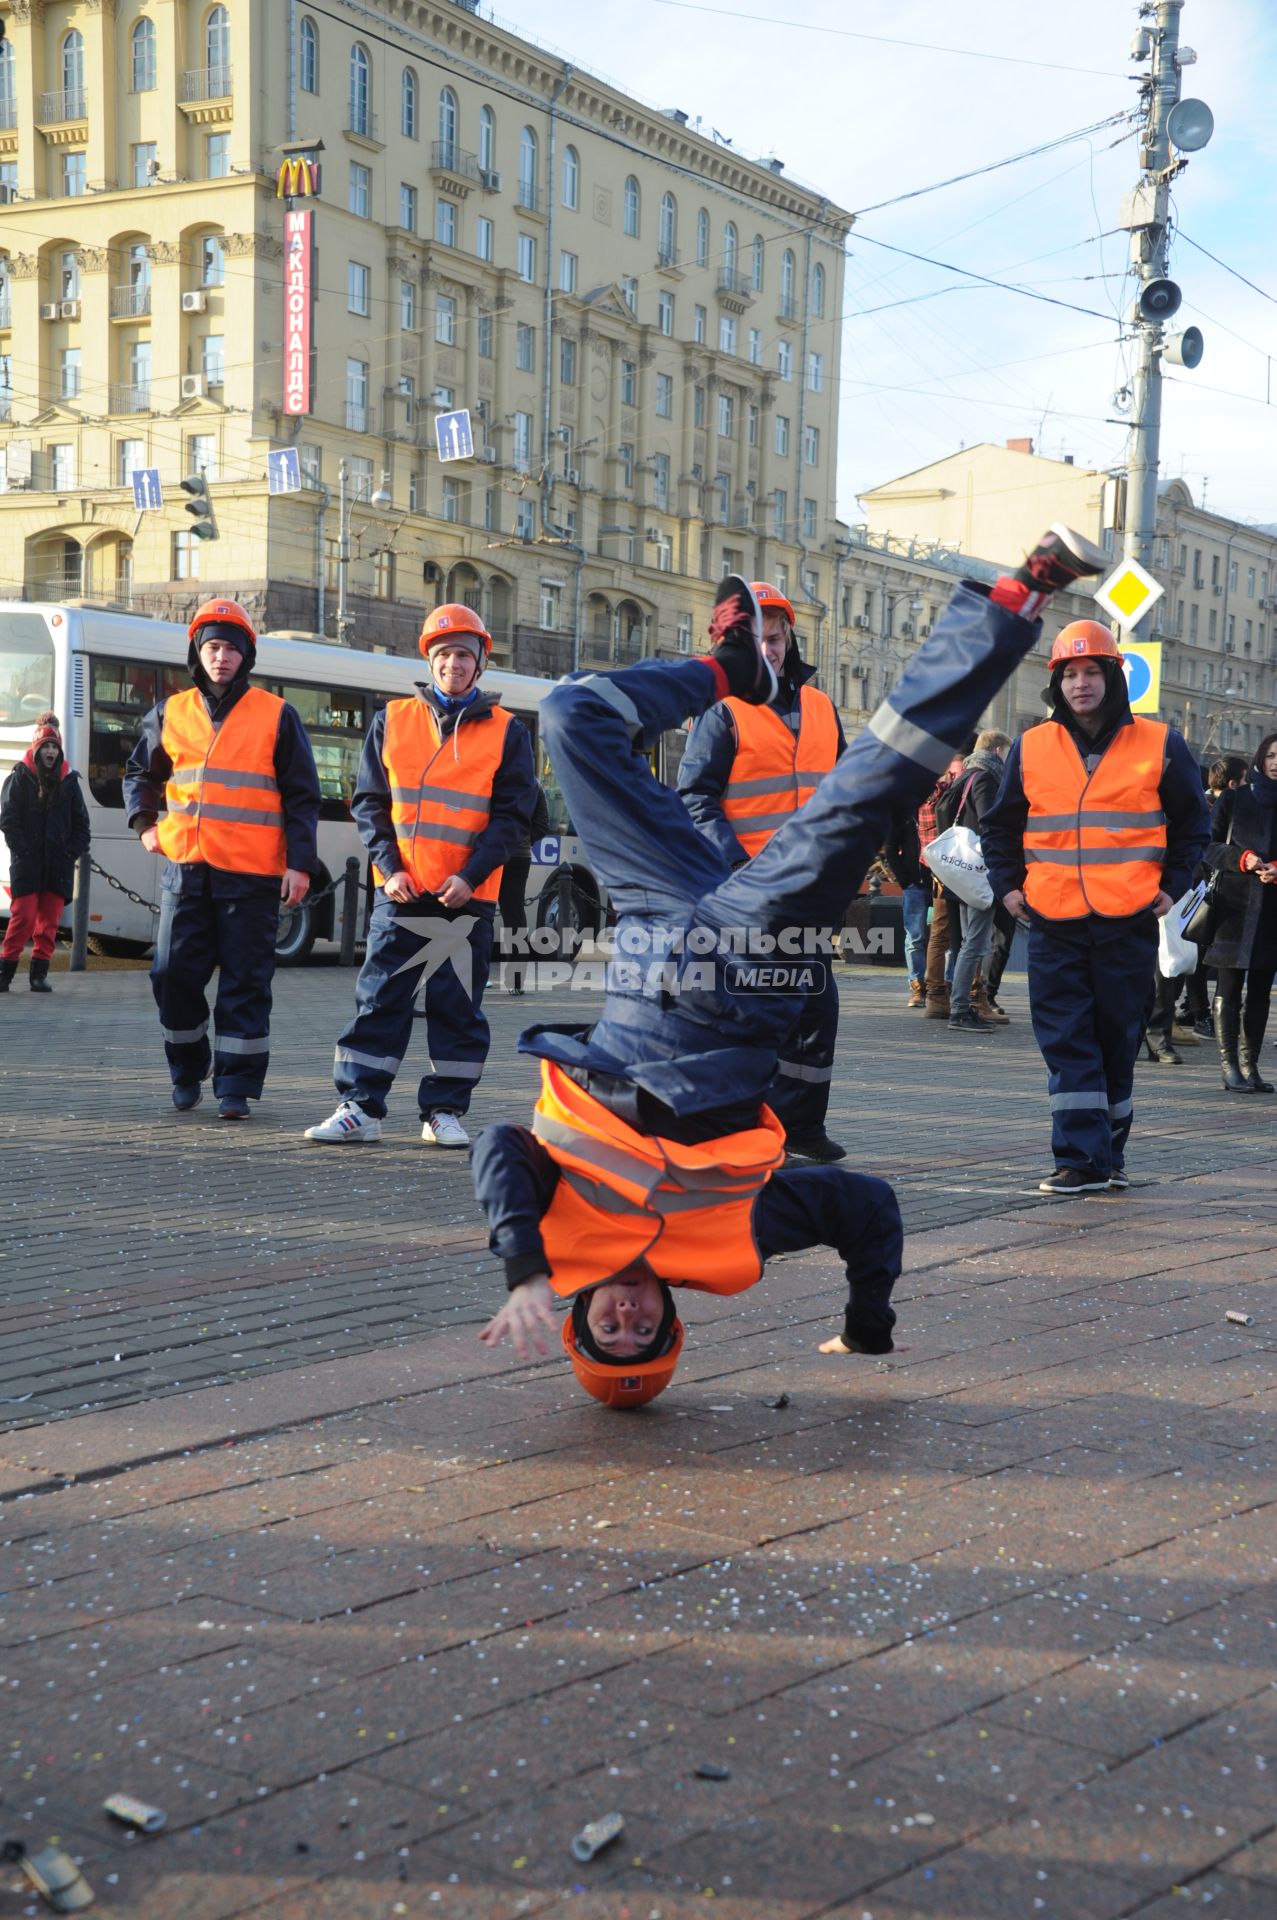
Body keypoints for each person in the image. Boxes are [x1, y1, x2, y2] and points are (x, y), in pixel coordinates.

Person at [474, 528, 1110, 1405]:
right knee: (866, 789)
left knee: (569, 715)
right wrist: (867, 1323)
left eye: (605, 1330)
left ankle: (734, 669)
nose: (626, 1314)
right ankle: (1015, 601)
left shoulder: (556, 1239)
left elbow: (503, 1145)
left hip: (652, 921)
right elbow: (866, 1209)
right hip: (744, 960)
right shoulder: (735, 1242)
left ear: (577, 1316)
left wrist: (520, 1266)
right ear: (671, 1323)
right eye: (642, 1333)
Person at [982, 618, 1209, 1196]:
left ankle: (1107, 1152)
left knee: (1116, 1037)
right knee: (1066, 1038)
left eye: (1091, 672)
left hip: (1127, 917)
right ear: (1055, 683)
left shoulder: (1160, 743)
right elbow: (1001, 826)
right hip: (1051, 917)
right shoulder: (1033, 745)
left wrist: (1173, 884)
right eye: (1069, 674)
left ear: (1112, 675)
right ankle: (1080, 1159)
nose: (1080, 684)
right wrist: (1008, 886)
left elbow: (1193, 824)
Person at [305, 604, 535, 1148]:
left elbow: (512, 818)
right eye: (444, 654)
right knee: (380, 1000)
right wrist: (388, 868)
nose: (453, 664)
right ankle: (359, 1108)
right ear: (429, 661)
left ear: (480, 664)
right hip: (402, 891)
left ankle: (445, 1112)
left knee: (458, 1009)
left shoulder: (509, 732)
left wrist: (471, 875)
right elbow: (370, 802)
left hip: (467, 898)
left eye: (463, 655)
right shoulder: (392, 719)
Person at [124, 600, 321, 1118]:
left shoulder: (277, 714)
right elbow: (139, 773)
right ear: (198, 651)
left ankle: (235, 1087)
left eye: (232, 648)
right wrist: (146, 825)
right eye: (212, 647)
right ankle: (188, 1067)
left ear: (246, 656)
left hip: (253, 877)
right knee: (170, 975)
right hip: (186, 869)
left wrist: (299, 864)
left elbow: (302, 795)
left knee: (246, 983)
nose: (221, 657)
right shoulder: (170, 711)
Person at [677, 582, 847, 1160]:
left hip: (810, 895)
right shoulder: (724, 711)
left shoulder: (822, 708)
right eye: (754, 639)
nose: (767, 649)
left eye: (774, 638)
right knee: (751, 1016)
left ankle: (802, 1128)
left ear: (789, 637)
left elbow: (843, 795)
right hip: (748, 896)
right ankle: (742, 1130)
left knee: (815, 1011)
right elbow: (696, 798)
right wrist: (738, 868)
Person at [1200, 733, 1277, 1094]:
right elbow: (1208, 846)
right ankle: (1229, 1066)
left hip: (1272, 910)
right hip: (1234, 905)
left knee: (1261, 990)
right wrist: (1242, 859)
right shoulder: (1234, 798)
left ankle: (1251, 1066)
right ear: (1261, 758)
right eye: (1272, 755)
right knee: (1229, 988)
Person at [0, 711, 91, 993]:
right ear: (37, 749)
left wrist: (68, 853)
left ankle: (39, 974)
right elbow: (8, 819)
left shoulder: (70, 782)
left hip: (57, 864)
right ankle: (5, 972)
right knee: (23, 918)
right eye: (46, 746)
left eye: (55, 747)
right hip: (27, 863)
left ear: (59, 750)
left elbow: (82, 827)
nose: (51, 751)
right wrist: (23, 850)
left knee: (49, 923)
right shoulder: (19, 778)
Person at [936, 728, 1012, 1033]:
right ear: (996, 751)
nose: (1009, 759)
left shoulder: (964, 775)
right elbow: (989, 822)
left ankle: (962, 1005)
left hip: (960, 871)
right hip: (979, 873)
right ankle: (959, 1009)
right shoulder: (984, 778)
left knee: (969, 943)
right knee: (975, 944)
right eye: (1007, 753)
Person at [498, 779, 551, 996]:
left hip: (487, 854)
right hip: (519, 855)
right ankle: (515, 981)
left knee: (477, 915)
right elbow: (542, 823)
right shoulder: (533, 783)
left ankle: (474, 976)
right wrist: (525, 840)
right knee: (515, 917)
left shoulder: (492, 774)